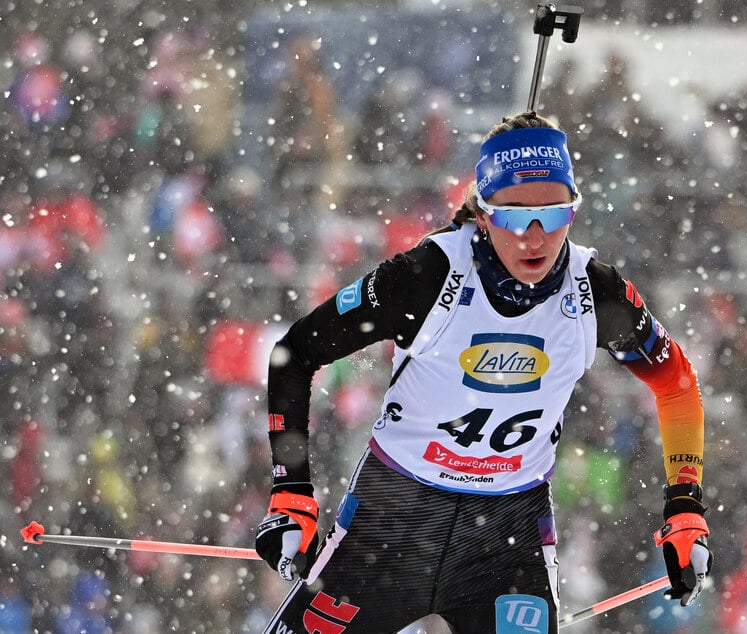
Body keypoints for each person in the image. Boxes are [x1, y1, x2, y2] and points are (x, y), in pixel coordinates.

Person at [254, 111, 712, 633]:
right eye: (514, 216)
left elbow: (675, 385)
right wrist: (291, 492)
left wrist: (685, 507)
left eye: (554, 214)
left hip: (506, 533)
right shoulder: (427, 277)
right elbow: (294, 353)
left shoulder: (596, 293)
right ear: (484, 212)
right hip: (395, 517)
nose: (535, 236)